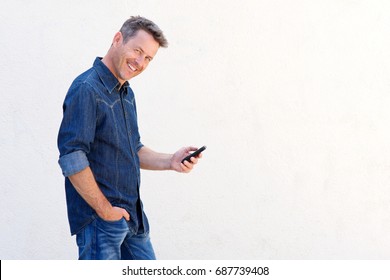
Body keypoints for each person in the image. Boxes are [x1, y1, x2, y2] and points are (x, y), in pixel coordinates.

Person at [57, 16, 202, 260]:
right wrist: (105, 211)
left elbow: (132, 149)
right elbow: (72, 156)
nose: (140, 62)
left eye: (148, 58)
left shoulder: (126, 93)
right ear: (117, 39)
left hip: (133, 219)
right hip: (101, 223)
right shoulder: (87, 88)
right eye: (137, 50)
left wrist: (171, 161)